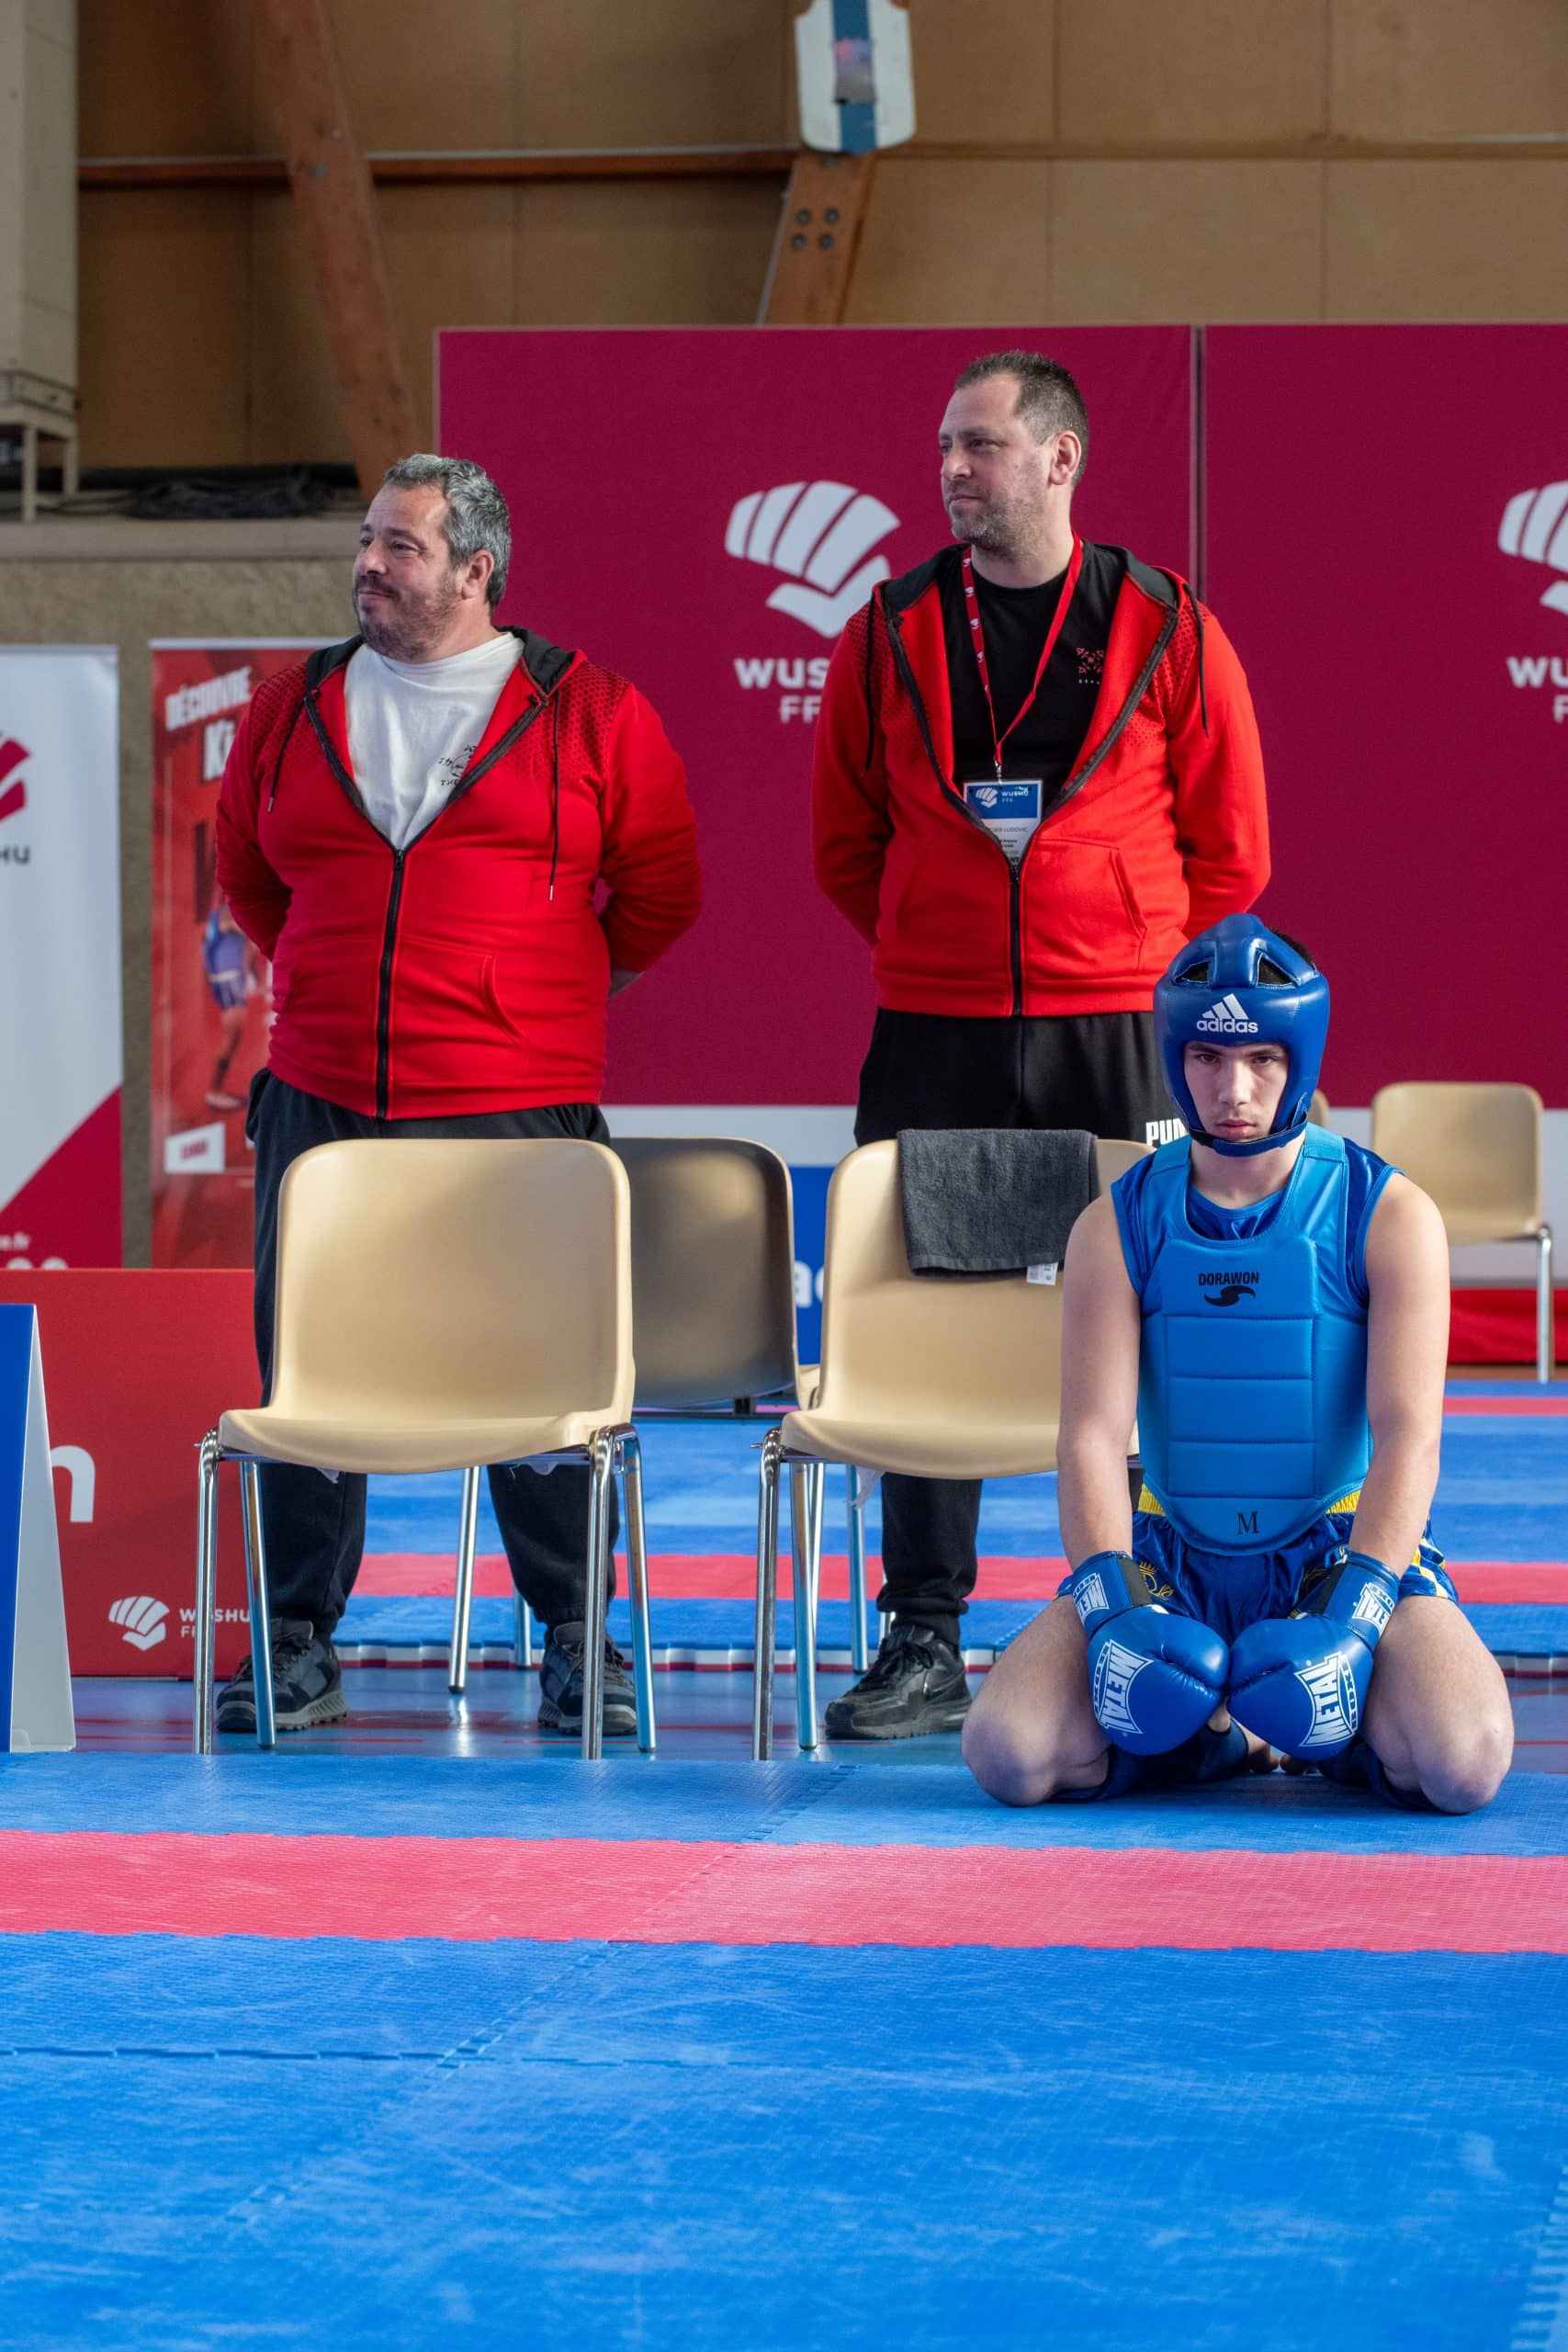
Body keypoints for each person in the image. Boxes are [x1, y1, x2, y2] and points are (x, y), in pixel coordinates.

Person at [810, 348, 1270, 1738]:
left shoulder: (1165, 624)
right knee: (920, 1313)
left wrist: (1116, 942)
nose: (954, 469)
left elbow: (1232, 853)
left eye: (982, 446)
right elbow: (845, 846)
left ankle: (1169, 1613)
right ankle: (922, 1633)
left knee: (1158, 1309)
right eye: (945, 447)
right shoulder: (887, 628)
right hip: (934, 1020)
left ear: (1060, 458)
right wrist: (941, 932)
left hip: (1113, 1020)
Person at [214, 453, 701, 1736]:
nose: (369, 565)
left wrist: (532, 994)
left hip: (517, 1106)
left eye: (402, 547)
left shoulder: (591, 711)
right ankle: (295, 1639)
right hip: (320, 1096)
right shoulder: (288, 707)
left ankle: (577, 1637)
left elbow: (661, 891)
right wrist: (329, 981)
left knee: (542, 1377)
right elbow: (250, 876)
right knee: (307, 1372)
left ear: (476, 570)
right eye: (366, 541)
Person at [963, 916, 1514, 1815]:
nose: (1233, 1089)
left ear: (1302, 1056)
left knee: (1463, 1762)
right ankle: (1225, 1739)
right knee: (1007, 1754)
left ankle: (1328, 1733)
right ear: (1174, 1058)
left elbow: (1409, 1436)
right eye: (1208, 1058)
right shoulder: (1116, 1222)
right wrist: (1111, 1603)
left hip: (1337, 1552)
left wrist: (1356, 1614)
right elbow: (1092, 1436)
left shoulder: (1387, 1213)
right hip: (1170, 1557)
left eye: (1261, 1058)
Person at [200, 897, 258, 1112]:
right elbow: (229, 927)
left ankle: (216, 1090)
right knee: (231, 1037)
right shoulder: (225, 913)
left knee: (235, 1036)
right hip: (226, 981)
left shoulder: (230, 913)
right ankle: (214, 1091)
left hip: (232, 980)